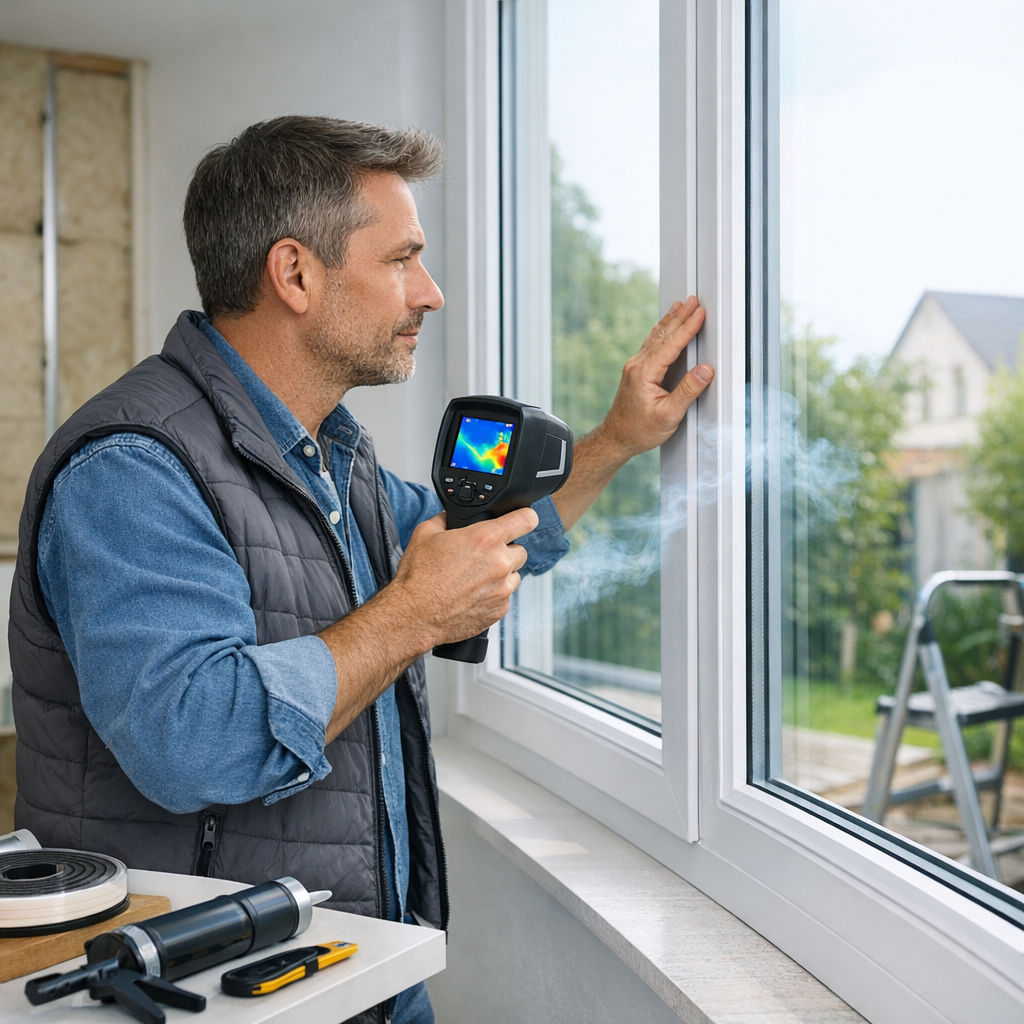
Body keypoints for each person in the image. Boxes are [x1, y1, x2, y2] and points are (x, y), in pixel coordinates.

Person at [9, 116, 711, 1024]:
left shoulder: (331, 456)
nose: (432, 293)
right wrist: (415, 616)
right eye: (401, 260)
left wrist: (617, 439)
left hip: (354, 967)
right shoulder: (133, 468)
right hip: (198, 996)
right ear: (295, 273)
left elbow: (484, 545)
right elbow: (191, 741)